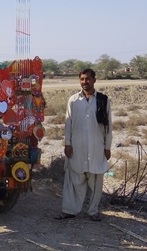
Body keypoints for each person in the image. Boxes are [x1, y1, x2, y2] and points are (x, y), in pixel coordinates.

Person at [54, 68, 112, 222]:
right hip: (76, 148)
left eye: (88, 79)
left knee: (96, 181)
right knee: (74, 181)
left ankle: (93, 211)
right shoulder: (73, 100)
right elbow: (68, 123)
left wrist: (107, 147)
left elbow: (108, 127)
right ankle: (69, 210)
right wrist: (67, 143)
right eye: (82, 79)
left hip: (96, 148)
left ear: (94, 80)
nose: (85, 82)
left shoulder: (103, 100)